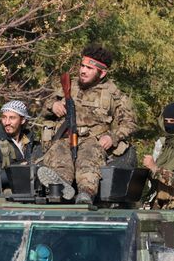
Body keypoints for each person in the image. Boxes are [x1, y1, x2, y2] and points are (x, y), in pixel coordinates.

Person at [39, 44, 137, 204]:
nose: (83, 71)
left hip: (92, 141)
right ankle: (59, 188)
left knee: (88, 160)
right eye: (82, 66)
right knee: (60, 157)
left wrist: (113, 137)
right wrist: (53, 106)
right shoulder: (68, 87)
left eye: (89, 68)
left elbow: (130, 123)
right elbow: (44, 109)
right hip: (64, 138)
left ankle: (85, 194)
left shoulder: (114, 95)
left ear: (102, 72)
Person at [0, 100, 41, 206]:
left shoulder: (31, 142)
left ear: (23, 120)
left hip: (29, 201)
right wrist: (17, 172)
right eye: (4, 117)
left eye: (12, 118)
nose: (7, 122)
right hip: (1, 203)